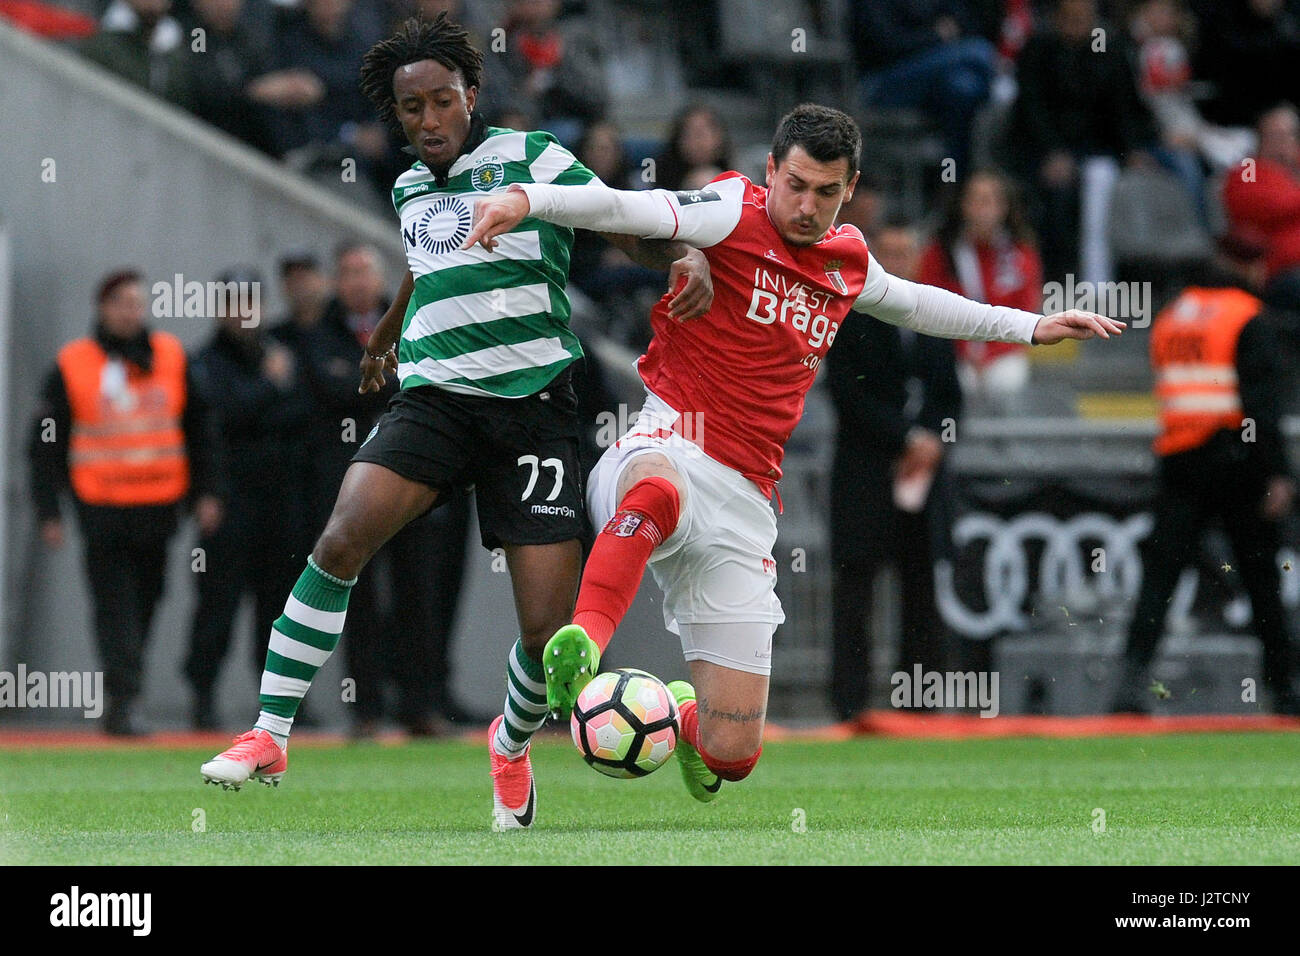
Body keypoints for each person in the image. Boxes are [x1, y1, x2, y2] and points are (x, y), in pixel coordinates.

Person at [466, 102, 1122, 807]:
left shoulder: (846, 262)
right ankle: (581, 648)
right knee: (654, 492)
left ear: (850, 188)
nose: (806, 206)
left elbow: (923, 304)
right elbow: (628, 205)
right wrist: (526, 197)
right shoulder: (728, 209)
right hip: (667, 438)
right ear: (771, 170)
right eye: (796, 185)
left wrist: (1031, 325)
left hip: (746, 499)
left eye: (826, 193)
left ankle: (688, 723)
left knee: (734, 755)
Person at [198, 16, 712, 829]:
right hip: (434, 401)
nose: (430, 119)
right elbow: (429, 260)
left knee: (548, 635)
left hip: (536, 411)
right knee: (341, 539)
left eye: (443, 101)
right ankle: (269, 732)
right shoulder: (408, 188)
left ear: (472, 97)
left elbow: (614, 221)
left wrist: (678, 254)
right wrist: (385, 331)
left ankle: (508, 747)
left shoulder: (532, 158)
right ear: (397, 115)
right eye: (413, 109)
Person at [1112, 235, 1300, 715]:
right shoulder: (1246, 315)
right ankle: (1284, 687)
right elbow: (1261, 403)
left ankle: (1129, 685)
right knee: (1260, 577)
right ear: (1253, 267)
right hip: (1234, 458)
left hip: (1179, 459)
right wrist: (1277, 473)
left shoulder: (1175, 315)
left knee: (1160, 578)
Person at [29, 269, 220, 735]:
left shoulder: (171, 357)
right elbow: (44, 444)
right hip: (102, 507)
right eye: (120, 303)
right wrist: (49, 510)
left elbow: (201, 431)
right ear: (102, 308)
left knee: (150, 599)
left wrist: (208, 493)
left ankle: (126, 691)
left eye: (136, 302)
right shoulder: (74, 362)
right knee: (114, 605)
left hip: (159, 507)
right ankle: (125, 698)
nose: (129, 312)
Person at [826, 221, 962, 725]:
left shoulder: (933, 315)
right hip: (864, 475)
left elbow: (951, 396)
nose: (899, 262)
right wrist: (907, 437)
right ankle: (849, 704)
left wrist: (933, 441)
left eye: (908, 252)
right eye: (890, 253)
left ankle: (919, 702)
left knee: (922, 588)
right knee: (855, 589)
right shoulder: (848, 315)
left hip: (924, 478)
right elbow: (847, 395)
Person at [184, 269, 311, 730]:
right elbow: (219, 417)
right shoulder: (204, 362)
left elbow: (300, 413)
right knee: (217, 604)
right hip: (229, 501)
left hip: (281, 502)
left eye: (251, 303)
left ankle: (277, 707)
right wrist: (268, 390)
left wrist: (261, 401)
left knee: (279, 610)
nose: (243, 313)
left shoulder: (279, 354)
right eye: (234, 303)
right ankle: (202, 697)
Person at [918, 169, 1040, 412]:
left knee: (1006, 380)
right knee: (960, 380)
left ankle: (1009, 448)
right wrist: (964, 351)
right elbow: (927, 307)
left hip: (1003, 351)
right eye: (976, 200)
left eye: (991, 200)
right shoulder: (941, 251)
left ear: (1004, 207)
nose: (983, 208)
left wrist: (990, 353)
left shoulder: (1020, 252)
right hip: (954, 350)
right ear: (963, 205)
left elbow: (1027, 311)